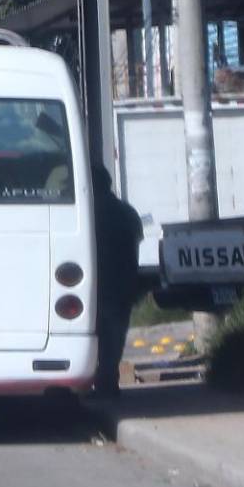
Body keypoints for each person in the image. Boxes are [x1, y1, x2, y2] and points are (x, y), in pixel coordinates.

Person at [90, 164, 145, 397]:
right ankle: (108, 383)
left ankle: (101, 384)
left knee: (97, 336)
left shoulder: (90, 212)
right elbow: (137, 241)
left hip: (98, 284)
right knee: (113, 338)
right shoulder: (126, 211)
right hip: (122, 284)